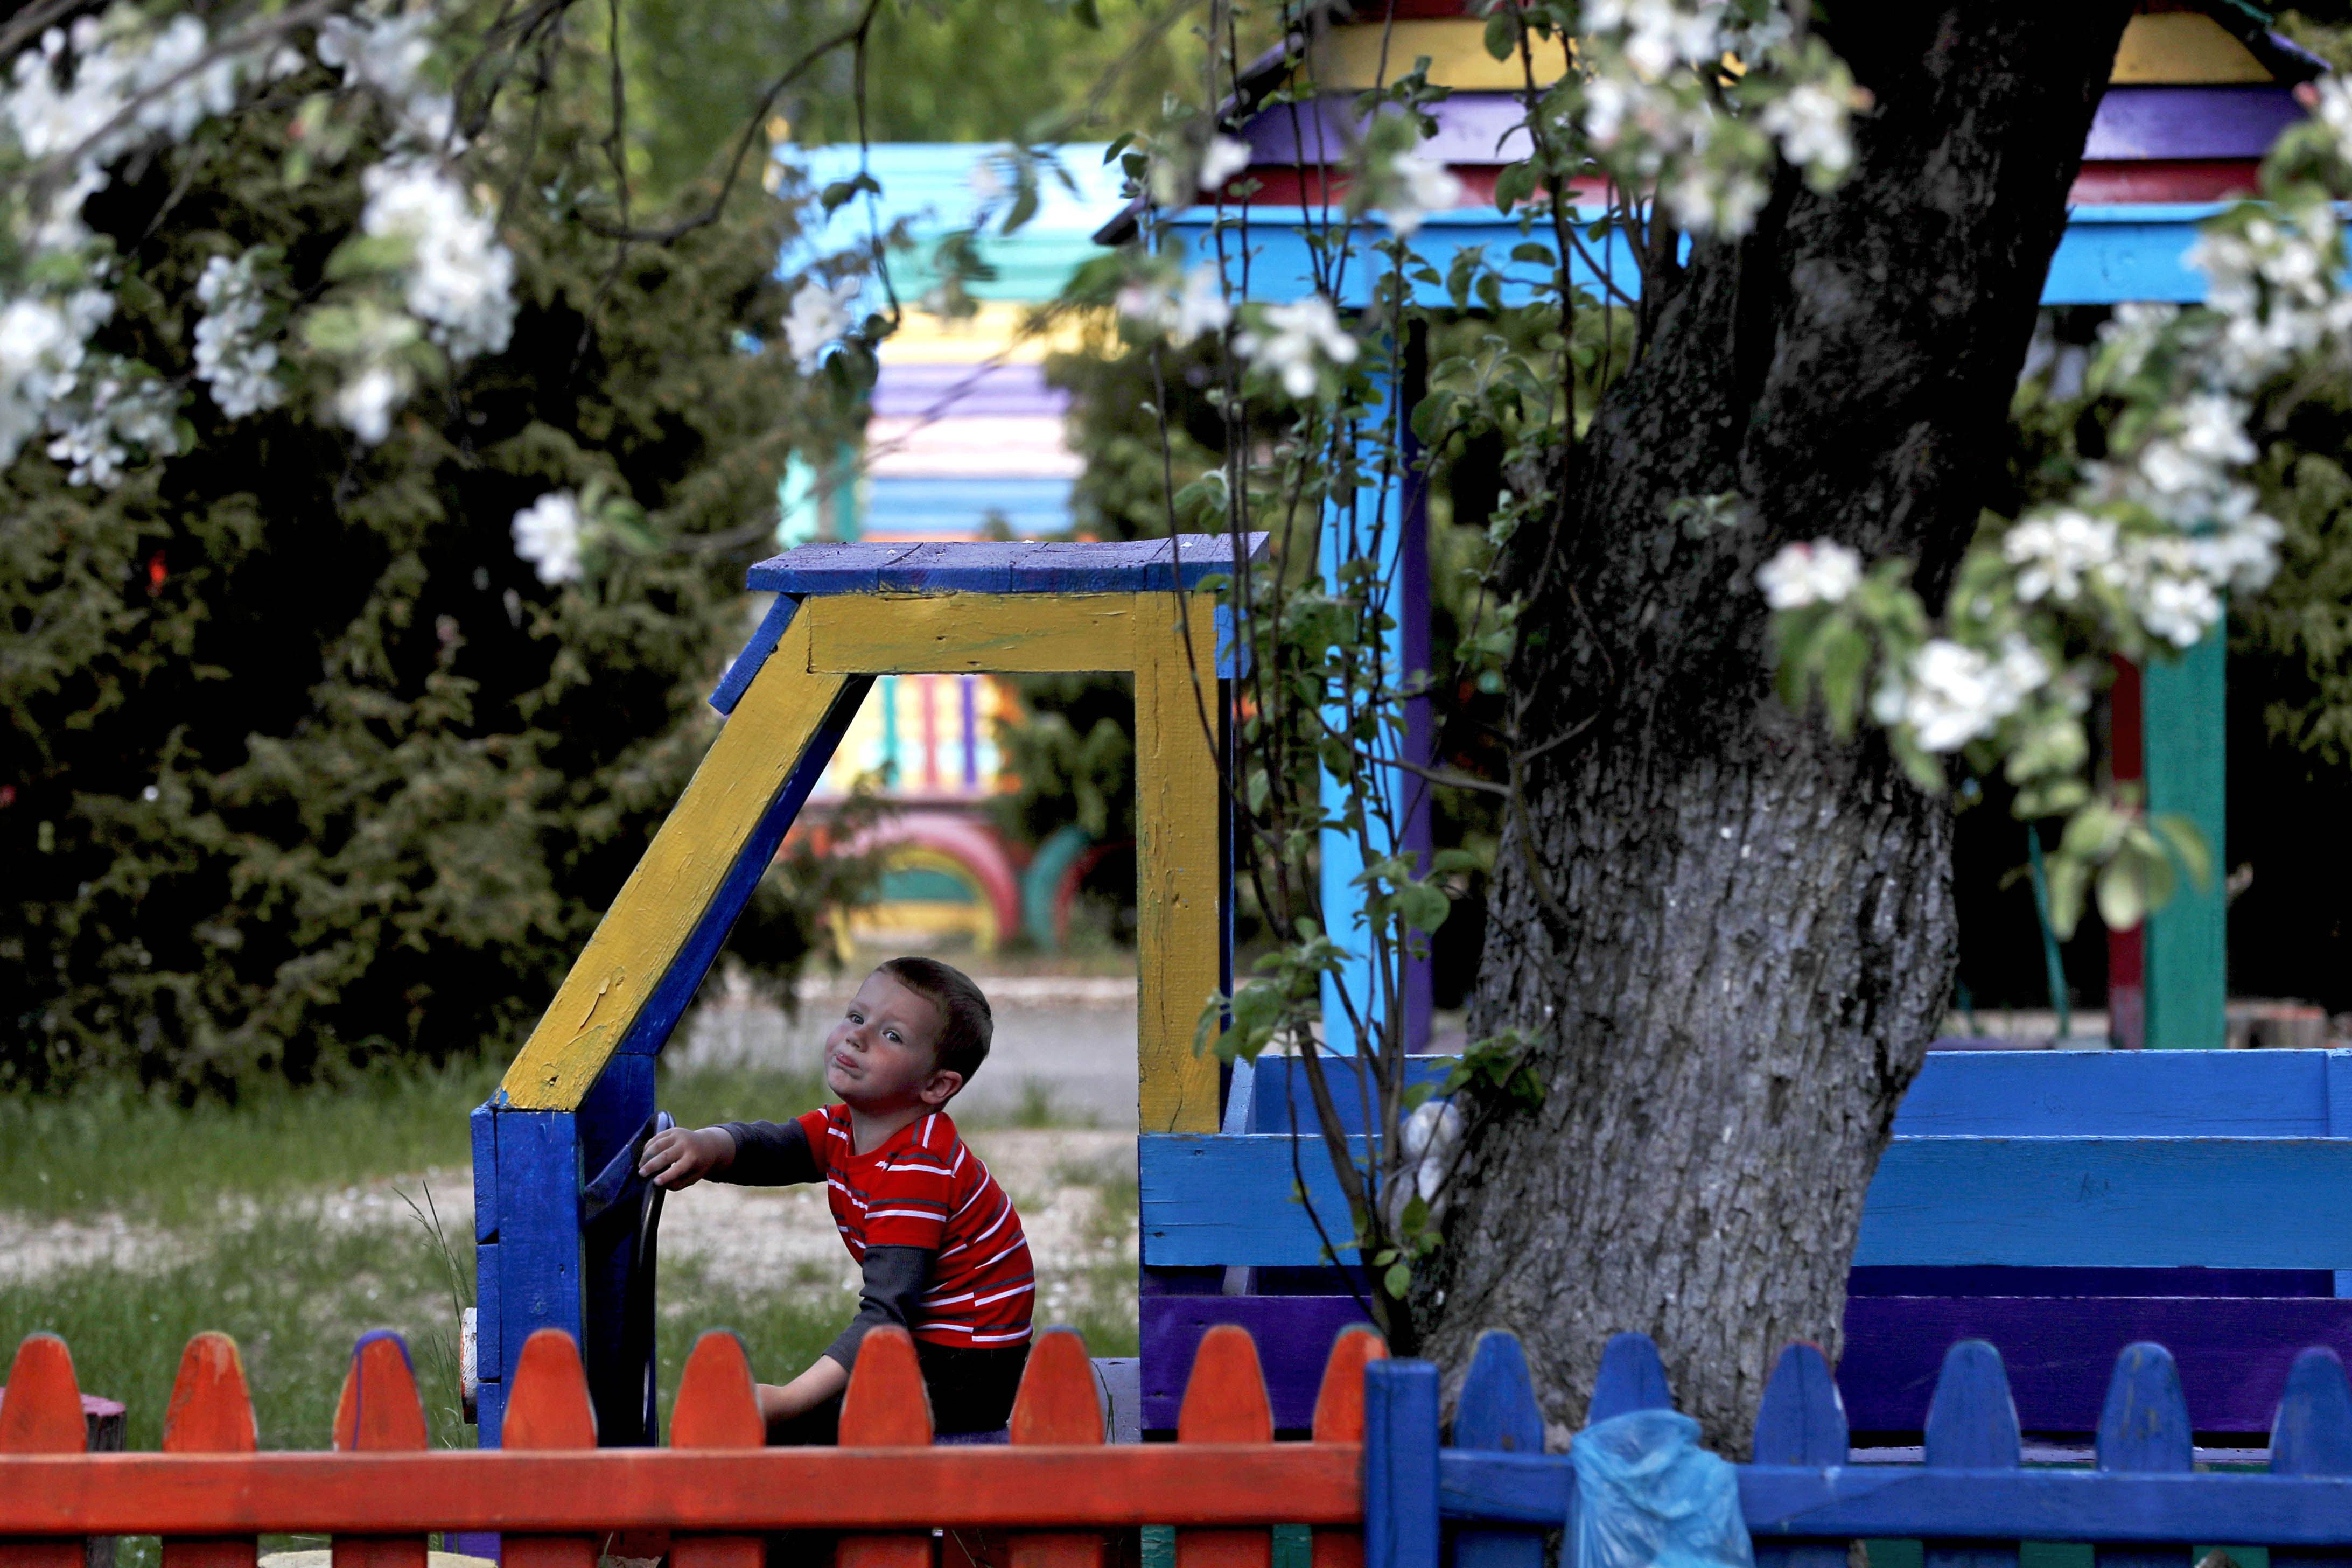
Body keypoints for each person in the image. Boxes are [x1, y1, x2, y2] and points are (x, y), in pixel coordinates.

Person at [638, 956, 1033, 1441]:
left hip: (967, 1366)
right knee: (793, 1429)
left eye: (892, 1036)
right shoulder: (844, 1127)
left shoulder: (917, 1168)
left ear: (936, 1085)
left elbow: (888, 1315)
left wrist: (790, 1398)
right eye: (856, 1016)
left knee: (804, 1430)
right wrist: (708, 1146)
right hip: (923, 1343)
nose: (857, 1037)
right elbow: (775, 1147)